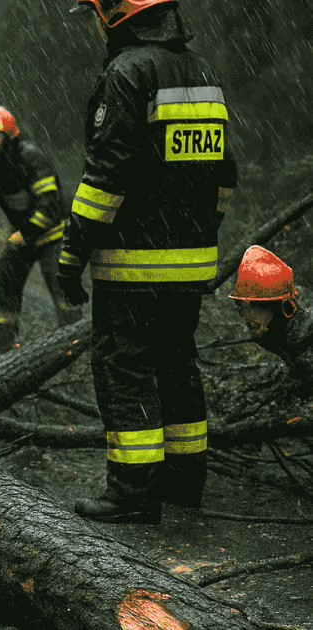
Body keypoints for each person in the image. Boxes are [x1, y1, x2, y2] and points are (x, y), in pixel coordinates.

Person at [58, 0, 238, 524]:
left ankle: (134, 491)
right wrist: (202, 231)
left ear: (117, 14)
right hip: (191, 264)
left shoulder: (127, 72)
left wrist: (73, 252)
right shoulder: (202, 72)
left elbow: (107, 177)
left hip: (133, 266)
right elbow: (225, 172)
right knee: (177, 363)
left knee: (125, 368)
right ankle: (185, 481)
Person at [0, 105, 82, 352]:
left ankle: (75, 346)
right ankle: (5, 346)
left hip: (54, 235)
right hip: (23, 237)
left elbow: (51, 206)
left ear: (8, 135)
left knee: (63, 293)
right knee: (7, 274)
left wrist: (28, 233)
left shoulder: (30, 157)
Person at [229, 245, 313, 383]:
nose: (246, 316)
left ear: (274, 306)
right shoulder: (271, 335)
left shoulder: (302, 334)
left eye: (252, 307)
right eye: (241, 307)